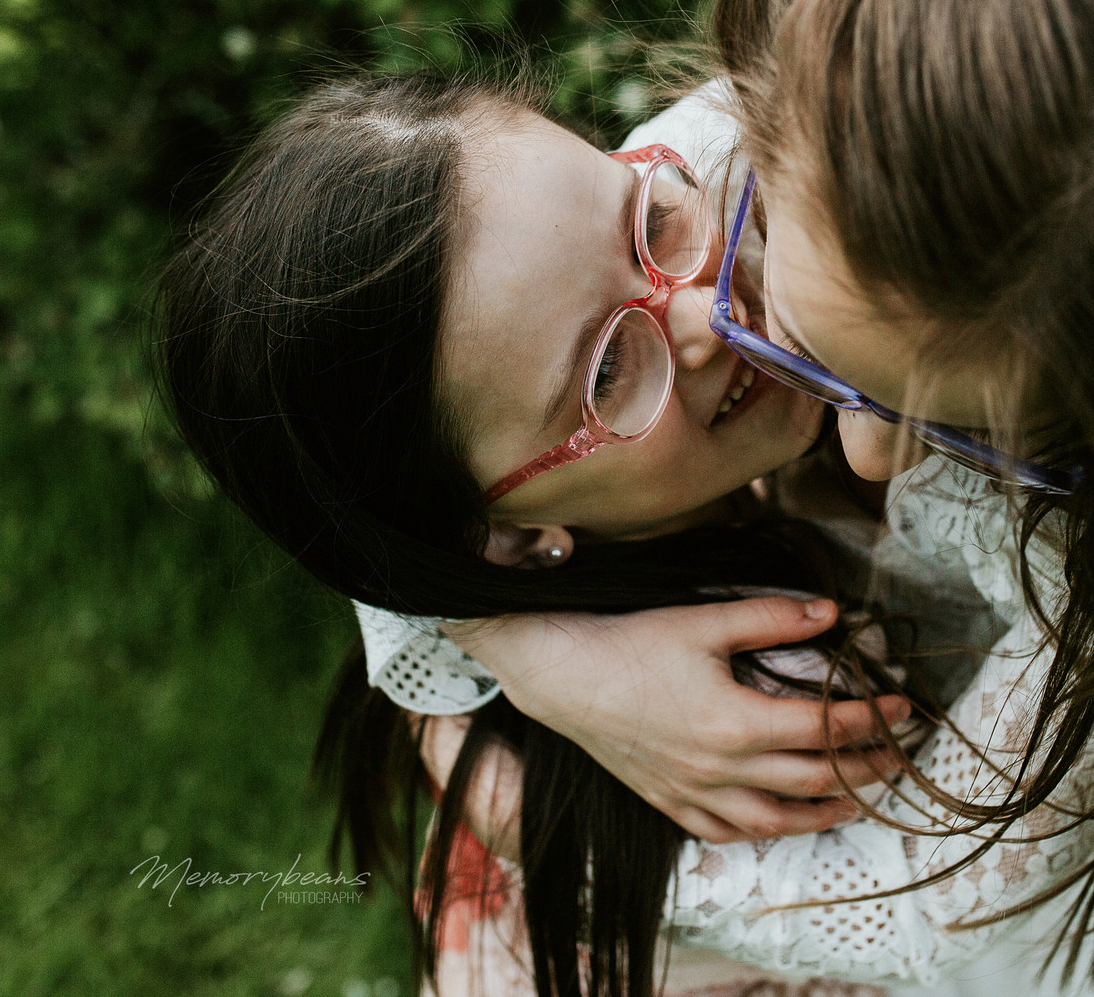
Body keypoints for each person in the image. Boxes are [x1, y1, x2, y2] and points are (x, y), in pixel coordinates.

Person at [398, 0, 1094, 994]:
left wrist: (519, 806)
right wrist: (527, 650)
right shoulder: (700, 177)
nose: (861, 445)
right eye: (797, 333)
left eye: (951, 425)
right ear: (753, 114)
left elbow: (930, 916)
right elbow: (388, 413)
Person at [155, 72, 945, 997]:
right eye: (609, 370)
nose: (704, 311)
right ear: (509, 539)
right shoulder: (784, 696)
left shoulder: (505, 665)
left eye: (647, 220)